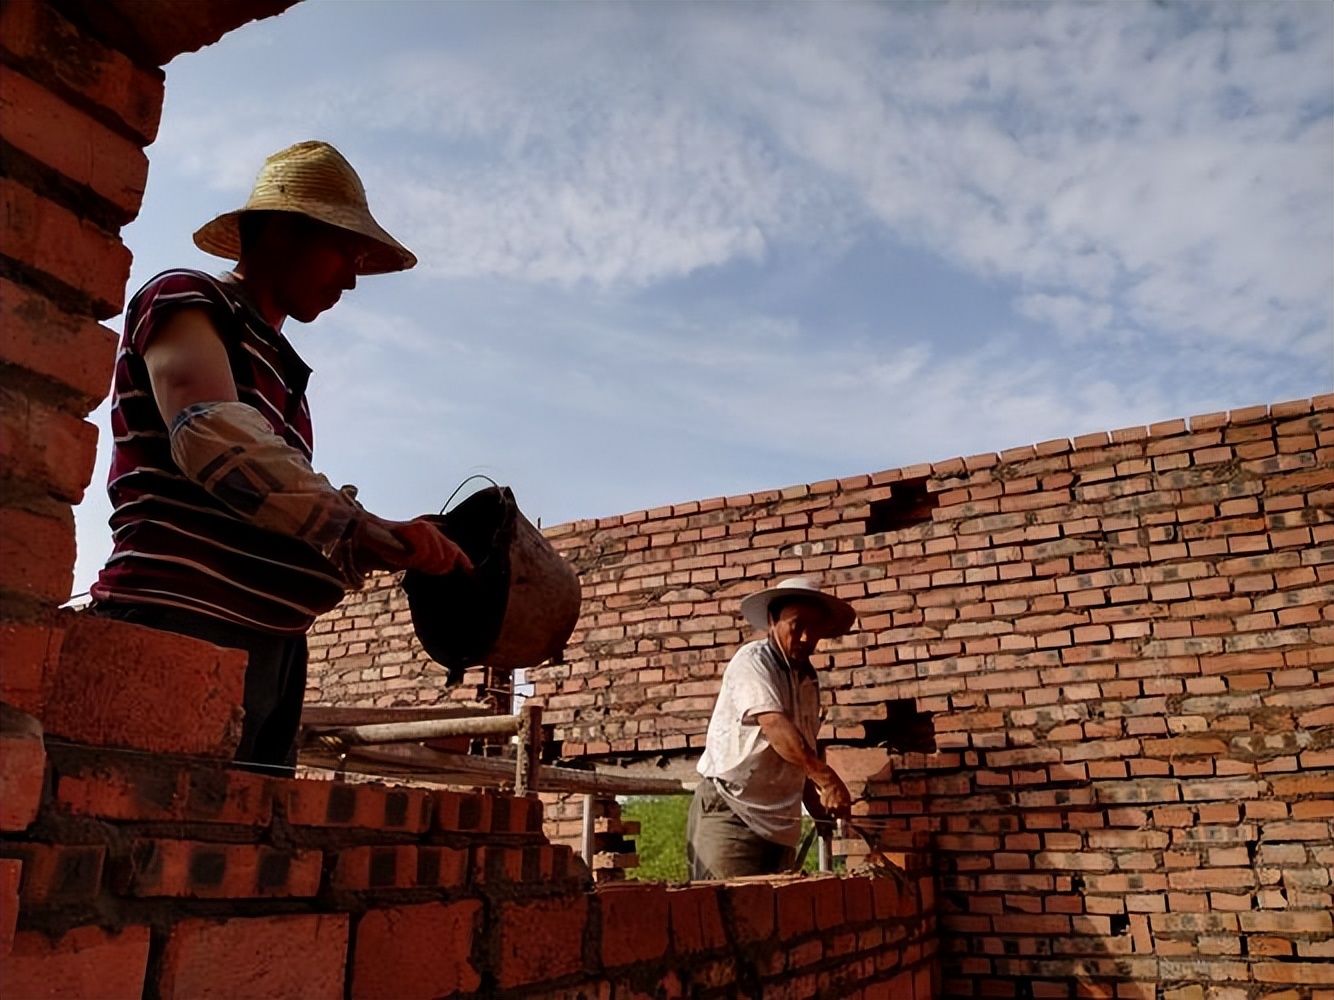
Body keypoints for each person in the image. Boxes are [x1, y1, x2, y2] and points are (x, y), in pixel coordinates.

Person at [89, 140, 471, 770]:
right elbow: (212, 436)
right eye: (344, 251)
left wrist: (378, 543)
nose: (351, 277)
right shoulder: (187, 298)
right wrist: (359, 525)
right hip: (179, 621)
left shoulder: (286, 385)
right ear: (282, 232)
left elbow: (275, 506)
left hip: (274, 651)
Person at [687, 576, 856, 879]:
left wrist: (815, 806)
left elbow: (798, 752)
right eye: (797, 624)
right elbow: (776, 729)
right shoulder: (752, 662)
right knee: (723, 912)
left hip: (780, 825)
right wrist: (829, 781)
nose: (806, 637)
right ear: (772, 621)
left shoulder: (808, 680)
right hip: (732, 812)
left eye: (815, 627)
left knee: (769, 920)